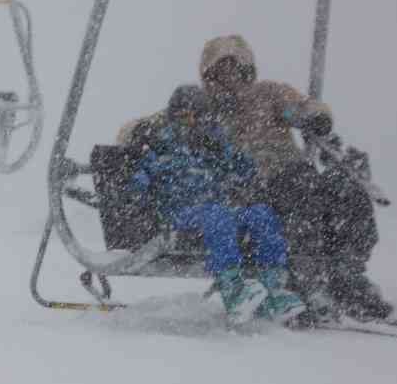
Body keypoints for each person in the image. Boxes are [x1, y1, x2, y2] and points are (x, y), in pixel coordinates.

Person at [196, 34, 391, 319]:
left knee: (346, 190)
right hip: (248, 188)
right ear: (210, 74)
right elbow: (160, 122)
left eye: (236, 68)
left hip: (293, 171)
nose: (230, 77)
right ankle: (307, 280)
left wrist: (315, 116)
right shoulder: (203, 108)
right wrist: (138, 132)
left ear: (247, 69)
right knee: (301, 195)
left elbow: (299, 107)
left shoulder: (269, 94)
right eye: (221, 70)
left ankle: (347, 272)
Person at [129, 85, 308, 324]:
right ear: (174, 117)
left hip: (216, 207)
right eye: (184, 117)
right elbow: (140, 179)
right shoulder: (162, 144)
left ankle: (272, 287)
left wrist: (227, 152)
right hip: (179, 212)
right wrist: (144, 183)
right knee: (217, 214)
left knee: (260, 214)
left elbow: (247, 171)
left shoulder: (212, 144)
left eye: (197, 117)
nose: (191, 123)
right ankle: (232, 288)